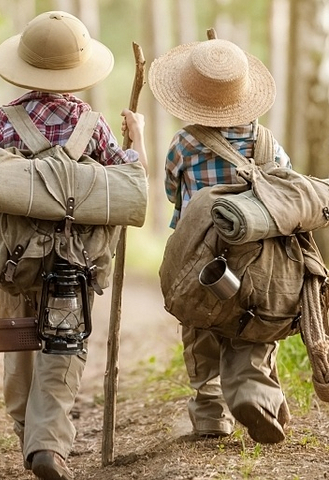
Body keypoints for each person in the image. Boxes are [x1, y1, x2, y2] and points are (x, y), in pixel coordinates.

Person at [0, 11, 145, 480]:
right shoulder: (93, 125)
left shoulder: (6, 121)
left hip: (13, 261)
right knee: (64, 348)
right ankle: (47, 446)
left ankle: (27, 430)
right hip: (74, 265)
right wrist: (137, 138)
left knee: (20, 346)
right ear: (77, 73)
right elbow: (129, 184)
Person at [148, 32, 292, 444]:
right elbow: (284, 186)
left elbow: (173, 193)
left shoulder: (184, 143)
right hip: (261, 256)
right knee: (255, 325)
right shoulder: (267, 143)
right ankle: (251, 392)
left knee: (200, 326)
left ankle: (210, 412)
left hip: (202, 257)